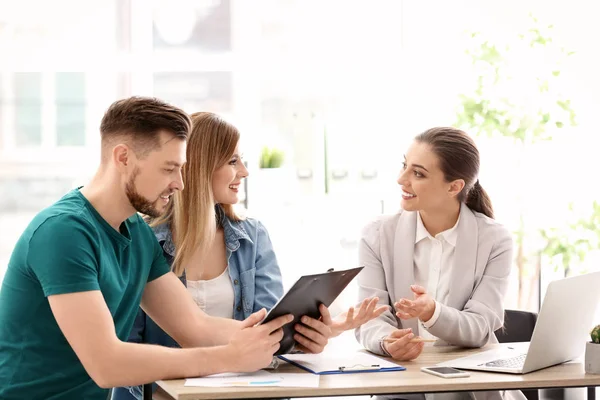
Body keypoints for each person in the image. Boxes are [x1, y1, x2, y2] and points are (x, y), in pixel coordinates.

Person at [0, 97, 294, 400]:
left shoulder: (136, 233)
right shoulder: (63, 232)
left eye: (181, 169)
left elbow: (195, 326)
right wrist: (228, 357)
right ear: (123, 157)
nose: (180, 184)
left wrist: (288, 333)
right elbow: (107, 365)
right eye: (169, 169)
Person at [114, 111, 386, 400]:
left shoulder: (252, 237)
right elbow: (127, 350)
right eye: (233, 161)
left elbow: (270, 334)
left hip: (239, 392)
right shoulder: (141, 240)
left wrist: (308, 337)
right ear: (200, 166)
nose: (244, 171)